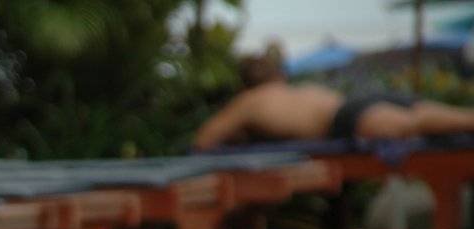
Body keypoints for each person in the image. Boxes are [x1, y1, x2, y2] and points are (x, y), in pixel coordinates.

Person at [193, 45, 474, 149]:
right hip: (356, 101)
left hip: (344, 118)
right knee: (422, 112)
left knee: (409, 123)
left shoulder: (248, 101)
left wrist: (245, 136)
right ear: (277, 75)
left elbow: (204, 140)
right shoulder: (293, 90)